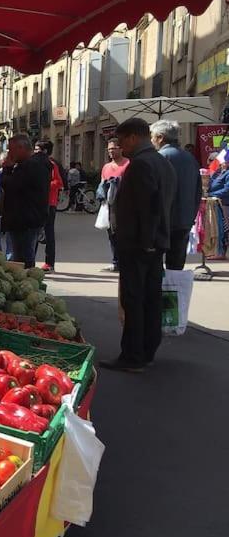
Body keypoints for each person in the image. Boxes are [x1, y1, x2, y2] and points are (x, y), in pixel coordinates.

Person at [101, 117, 176, 373]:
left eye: (122, 141)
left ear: (133, 137)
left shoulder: (141, 164)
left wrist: (145, 242)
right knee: (150, 297)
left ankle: (133, 356)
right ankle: (147, 350)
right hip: (155, 242)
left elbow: (147, 209)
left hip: (140, 244)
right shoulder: (162, 162)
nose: (120, 146)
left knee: (134, 298)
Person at [151, 120, 203, 270]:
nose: (151, 140)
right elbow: (197, 191)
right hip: (184, 221)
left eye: (153, 137)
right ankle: (171, 293)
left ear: (160, 137)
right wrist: (190, 216)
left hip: (161, 222)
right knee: (176, 268)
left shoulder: (159, 157)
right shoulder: (190, 158)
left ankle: (157, 293)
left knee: (154, 266)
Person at [0, 134, 49, 268]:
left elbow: (11, 186)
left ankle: (28, 283)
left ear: (21, 148)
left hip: (24, 220)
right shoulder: (28, 165)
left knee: (23, 260)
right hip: (24, 219)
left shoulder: (31, 166)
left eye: (11, 149)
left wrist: (7, 169)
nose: (9, 153)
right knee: (22, 256)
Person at [98, 138, 130, 272]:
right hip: (110, 206)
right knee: (112, 234)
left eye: (113, 148)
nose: (111, 151)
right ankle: (116, 261)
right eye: (109, 149)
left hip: (125, 206)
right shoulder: (106, 167)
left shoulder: (129, 164)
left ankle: (125, 261)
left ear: (121, 148)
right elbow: (101, 184)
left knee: (125, 234)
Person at [34, 141, 64, 271]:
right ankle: (30, 261)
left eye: (37, 149)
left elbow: (58, 182)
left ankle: (49, 263)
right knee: (34, 232)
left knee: (48, 233)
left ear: (45, 151)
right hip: (37, 203)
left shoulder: (51, 164)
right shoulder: (34, 163)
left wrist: (44, 185)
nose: (35, 152)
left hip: (49, 204)